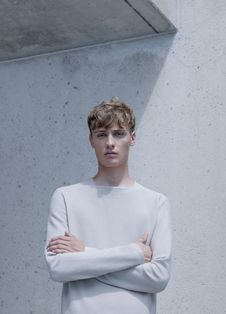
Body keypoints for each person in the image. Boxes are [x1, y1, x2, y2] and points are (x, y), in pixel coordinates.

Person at [45, 97, 172, 314]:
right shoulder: (65, 197)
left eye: (118, 134)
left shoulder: (156, 202)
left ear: (132, 138)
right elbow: (58, 268)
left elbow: (158, 278)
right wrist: (133, 254)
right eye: (102, 135)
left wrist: (84, 252)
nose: (110, 142)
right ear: (91, 140)